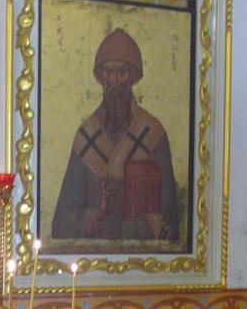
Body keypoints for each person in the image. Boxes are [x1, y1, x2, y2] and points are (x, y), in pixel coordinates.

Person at [51, 28, 179, 242]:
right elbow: (61, 223)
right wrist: (97, 215)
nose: (115, 81)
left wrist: (134, 227)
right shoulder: (86, 138)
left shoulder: (153, 134)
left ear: (133, 77)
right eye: (108, 73)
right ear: (101, 77)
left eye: (122, 72)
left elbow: (171, 221)